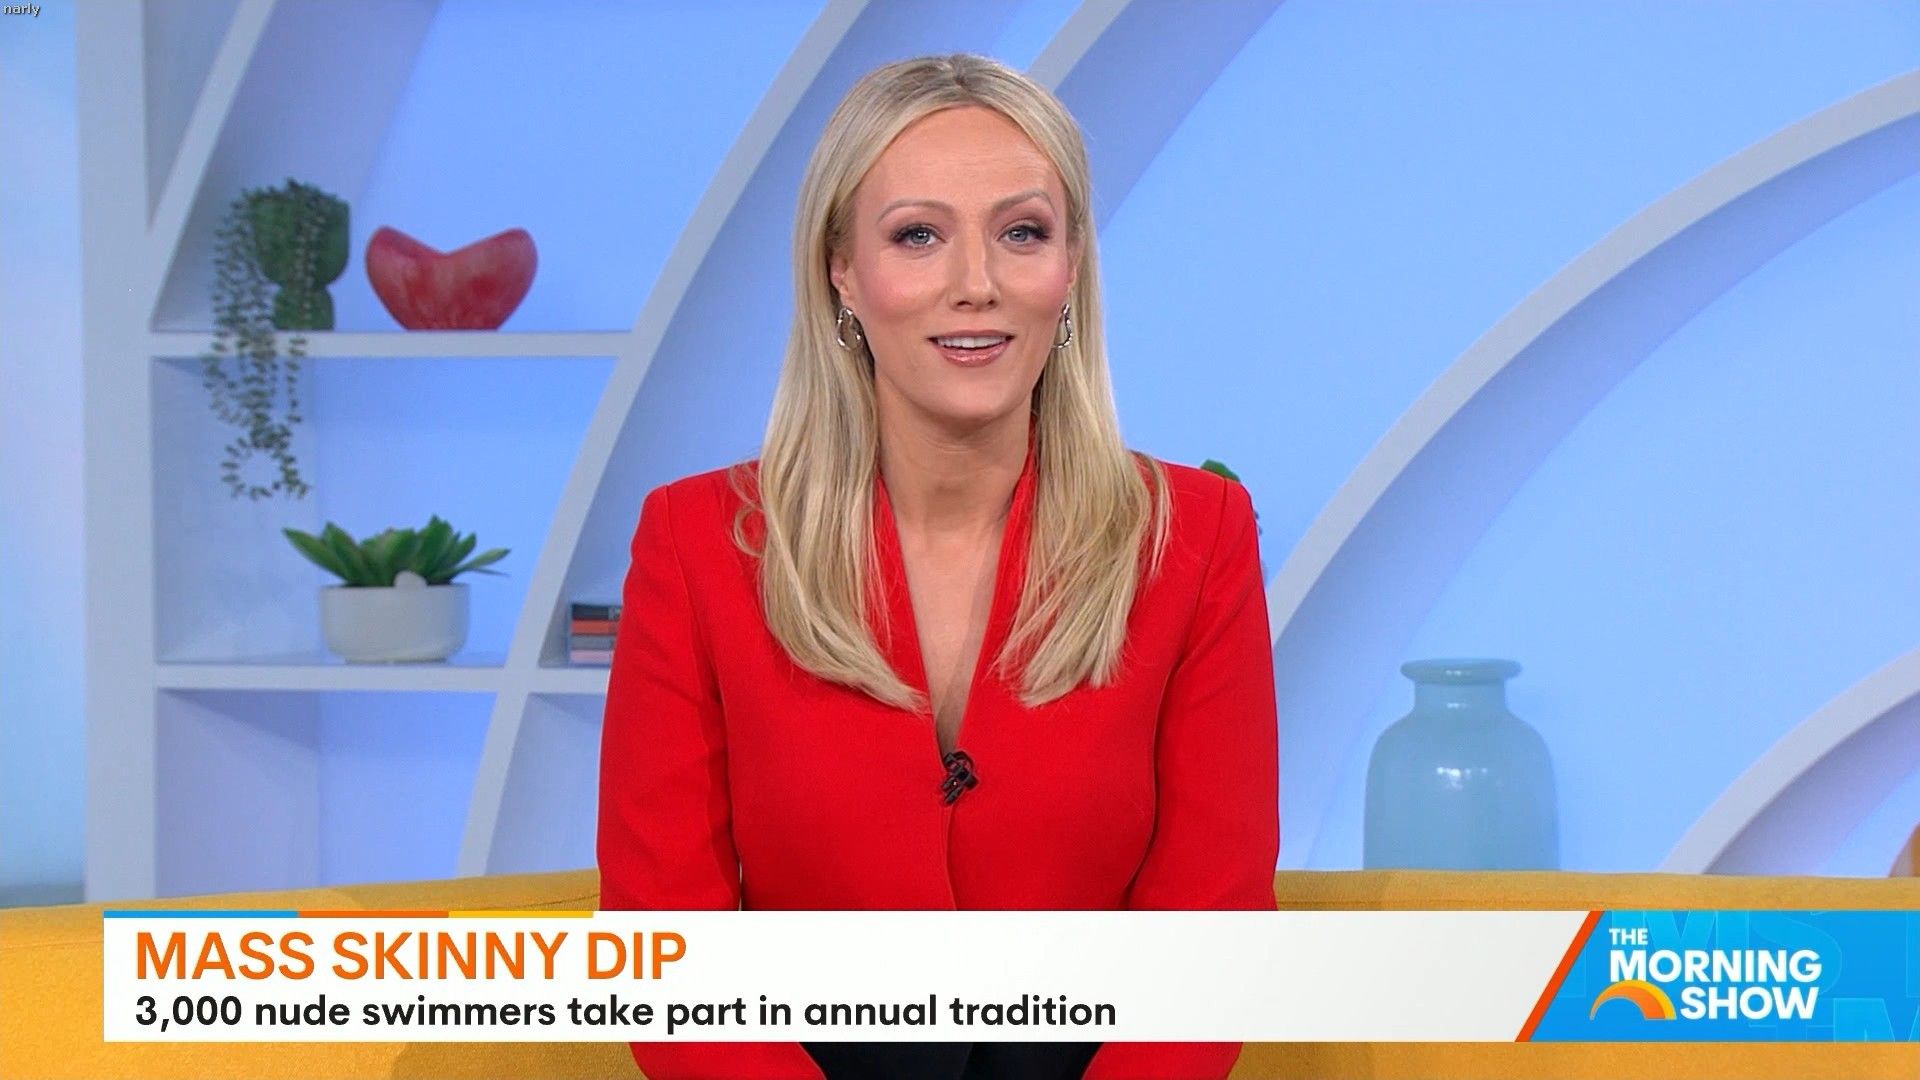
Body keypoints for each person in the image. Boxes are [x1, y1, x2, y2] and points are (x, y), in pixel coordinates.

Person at [597, 52, 1279, 1080]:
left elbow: (1210, 935)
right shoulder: (697, 543)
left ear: (1071, 268)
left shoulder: (1194, 537)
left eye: (1022, 233)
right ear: (841, 268)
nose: (976, 285)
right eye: (918, 235)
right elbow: (666, 957)